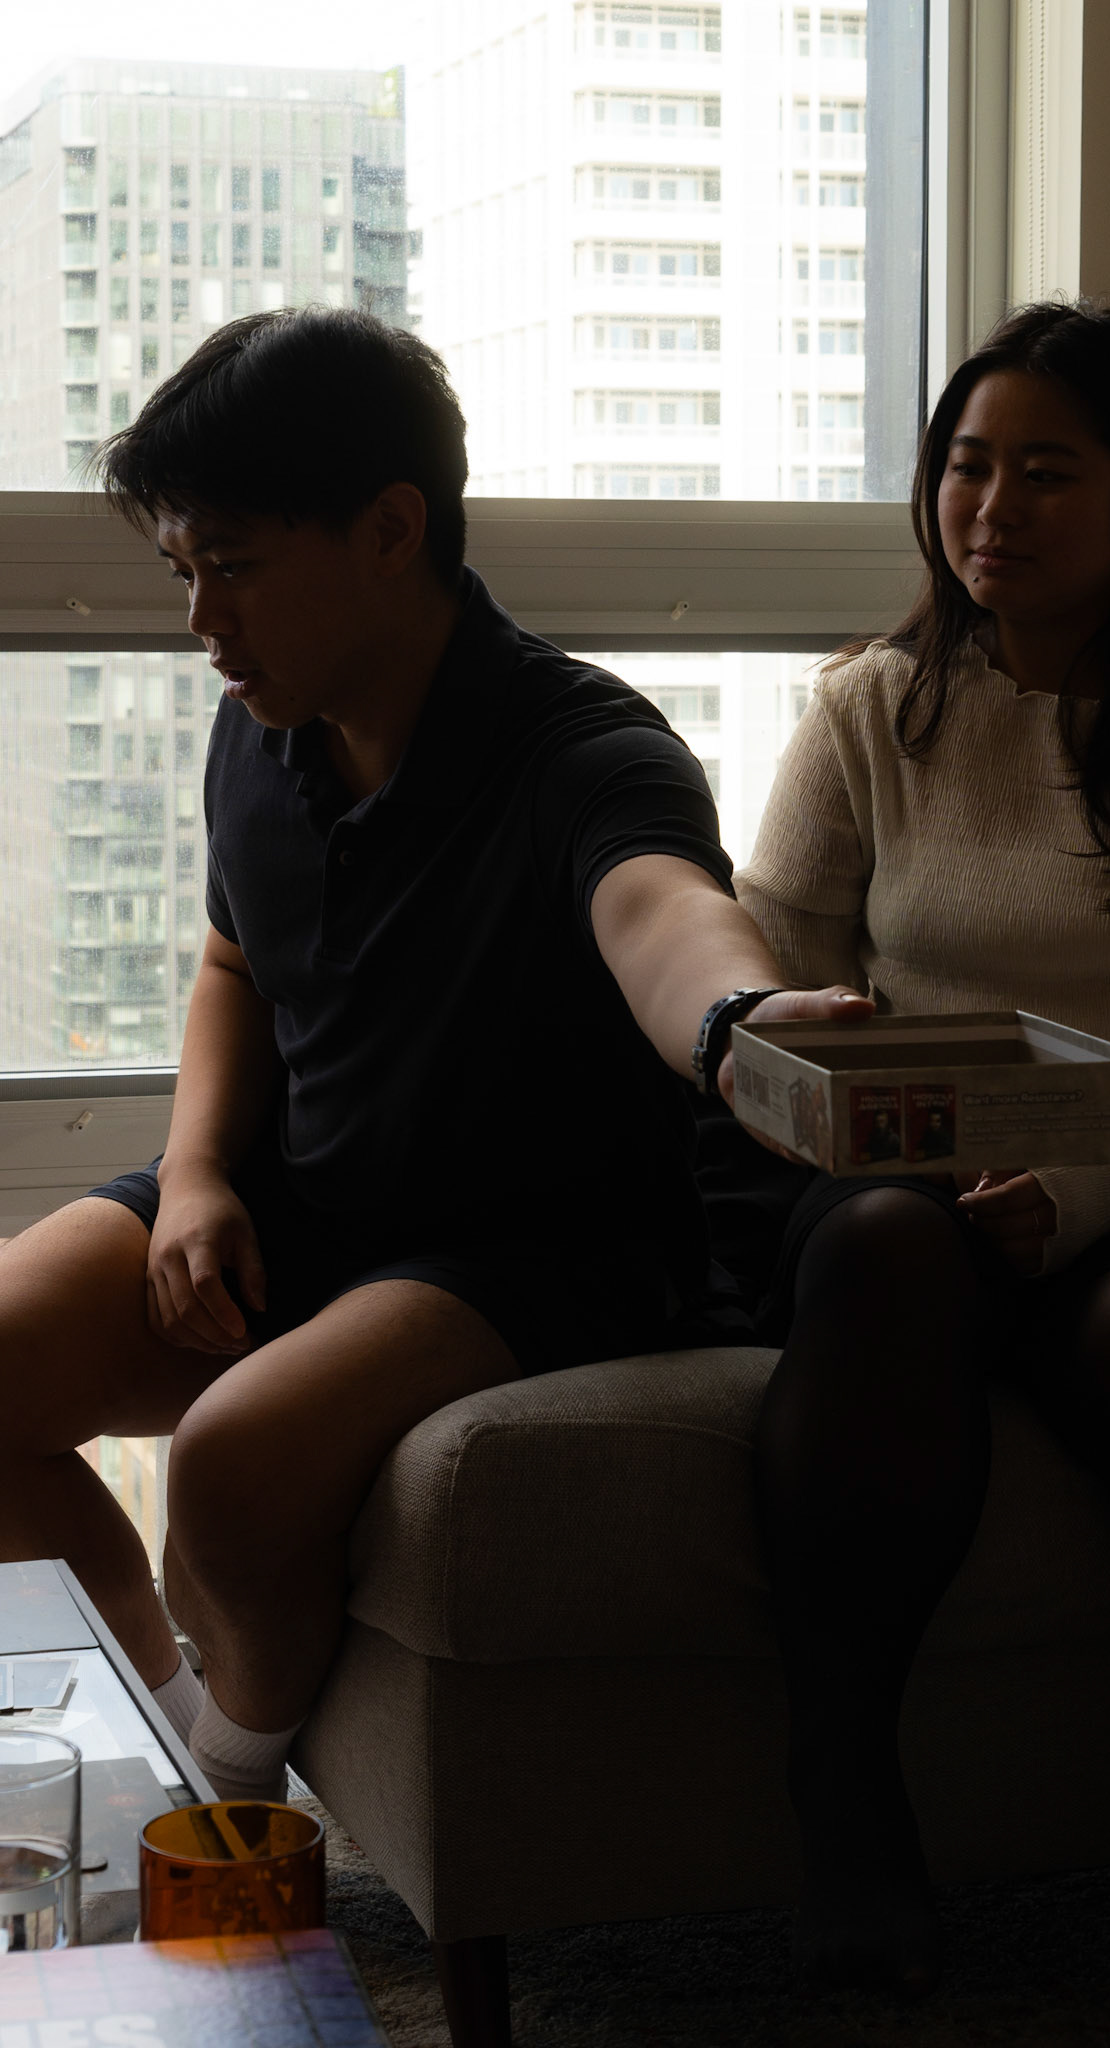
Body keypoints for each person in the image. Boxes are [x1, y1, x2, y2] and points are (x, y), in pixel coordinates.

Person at [0, 307, 866, 1807]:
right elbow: (233, 961)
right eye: (183, 570)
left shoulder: (583, 747)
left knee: (230, 1461)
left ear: (392, 530)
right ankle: (171, 1753)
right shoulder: (260, 722)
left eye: (235, 566)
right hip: (311, 1197)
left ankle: (232, 1800)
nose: (202, 620)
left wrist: (741, 1020)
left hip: (534, 1244)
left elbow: (661, 911)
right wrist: (197, 1172)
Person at [722, 299, 1110, 2002]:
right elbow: (768, 978)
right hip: (913, 1179)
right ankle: (847, 1796)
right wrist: (825, 1076)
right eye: (965, 464)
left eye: (1046, 473)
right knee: (883, 1250)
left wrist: (1103, 1182)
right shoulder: (869, 710)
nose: (989, 508)